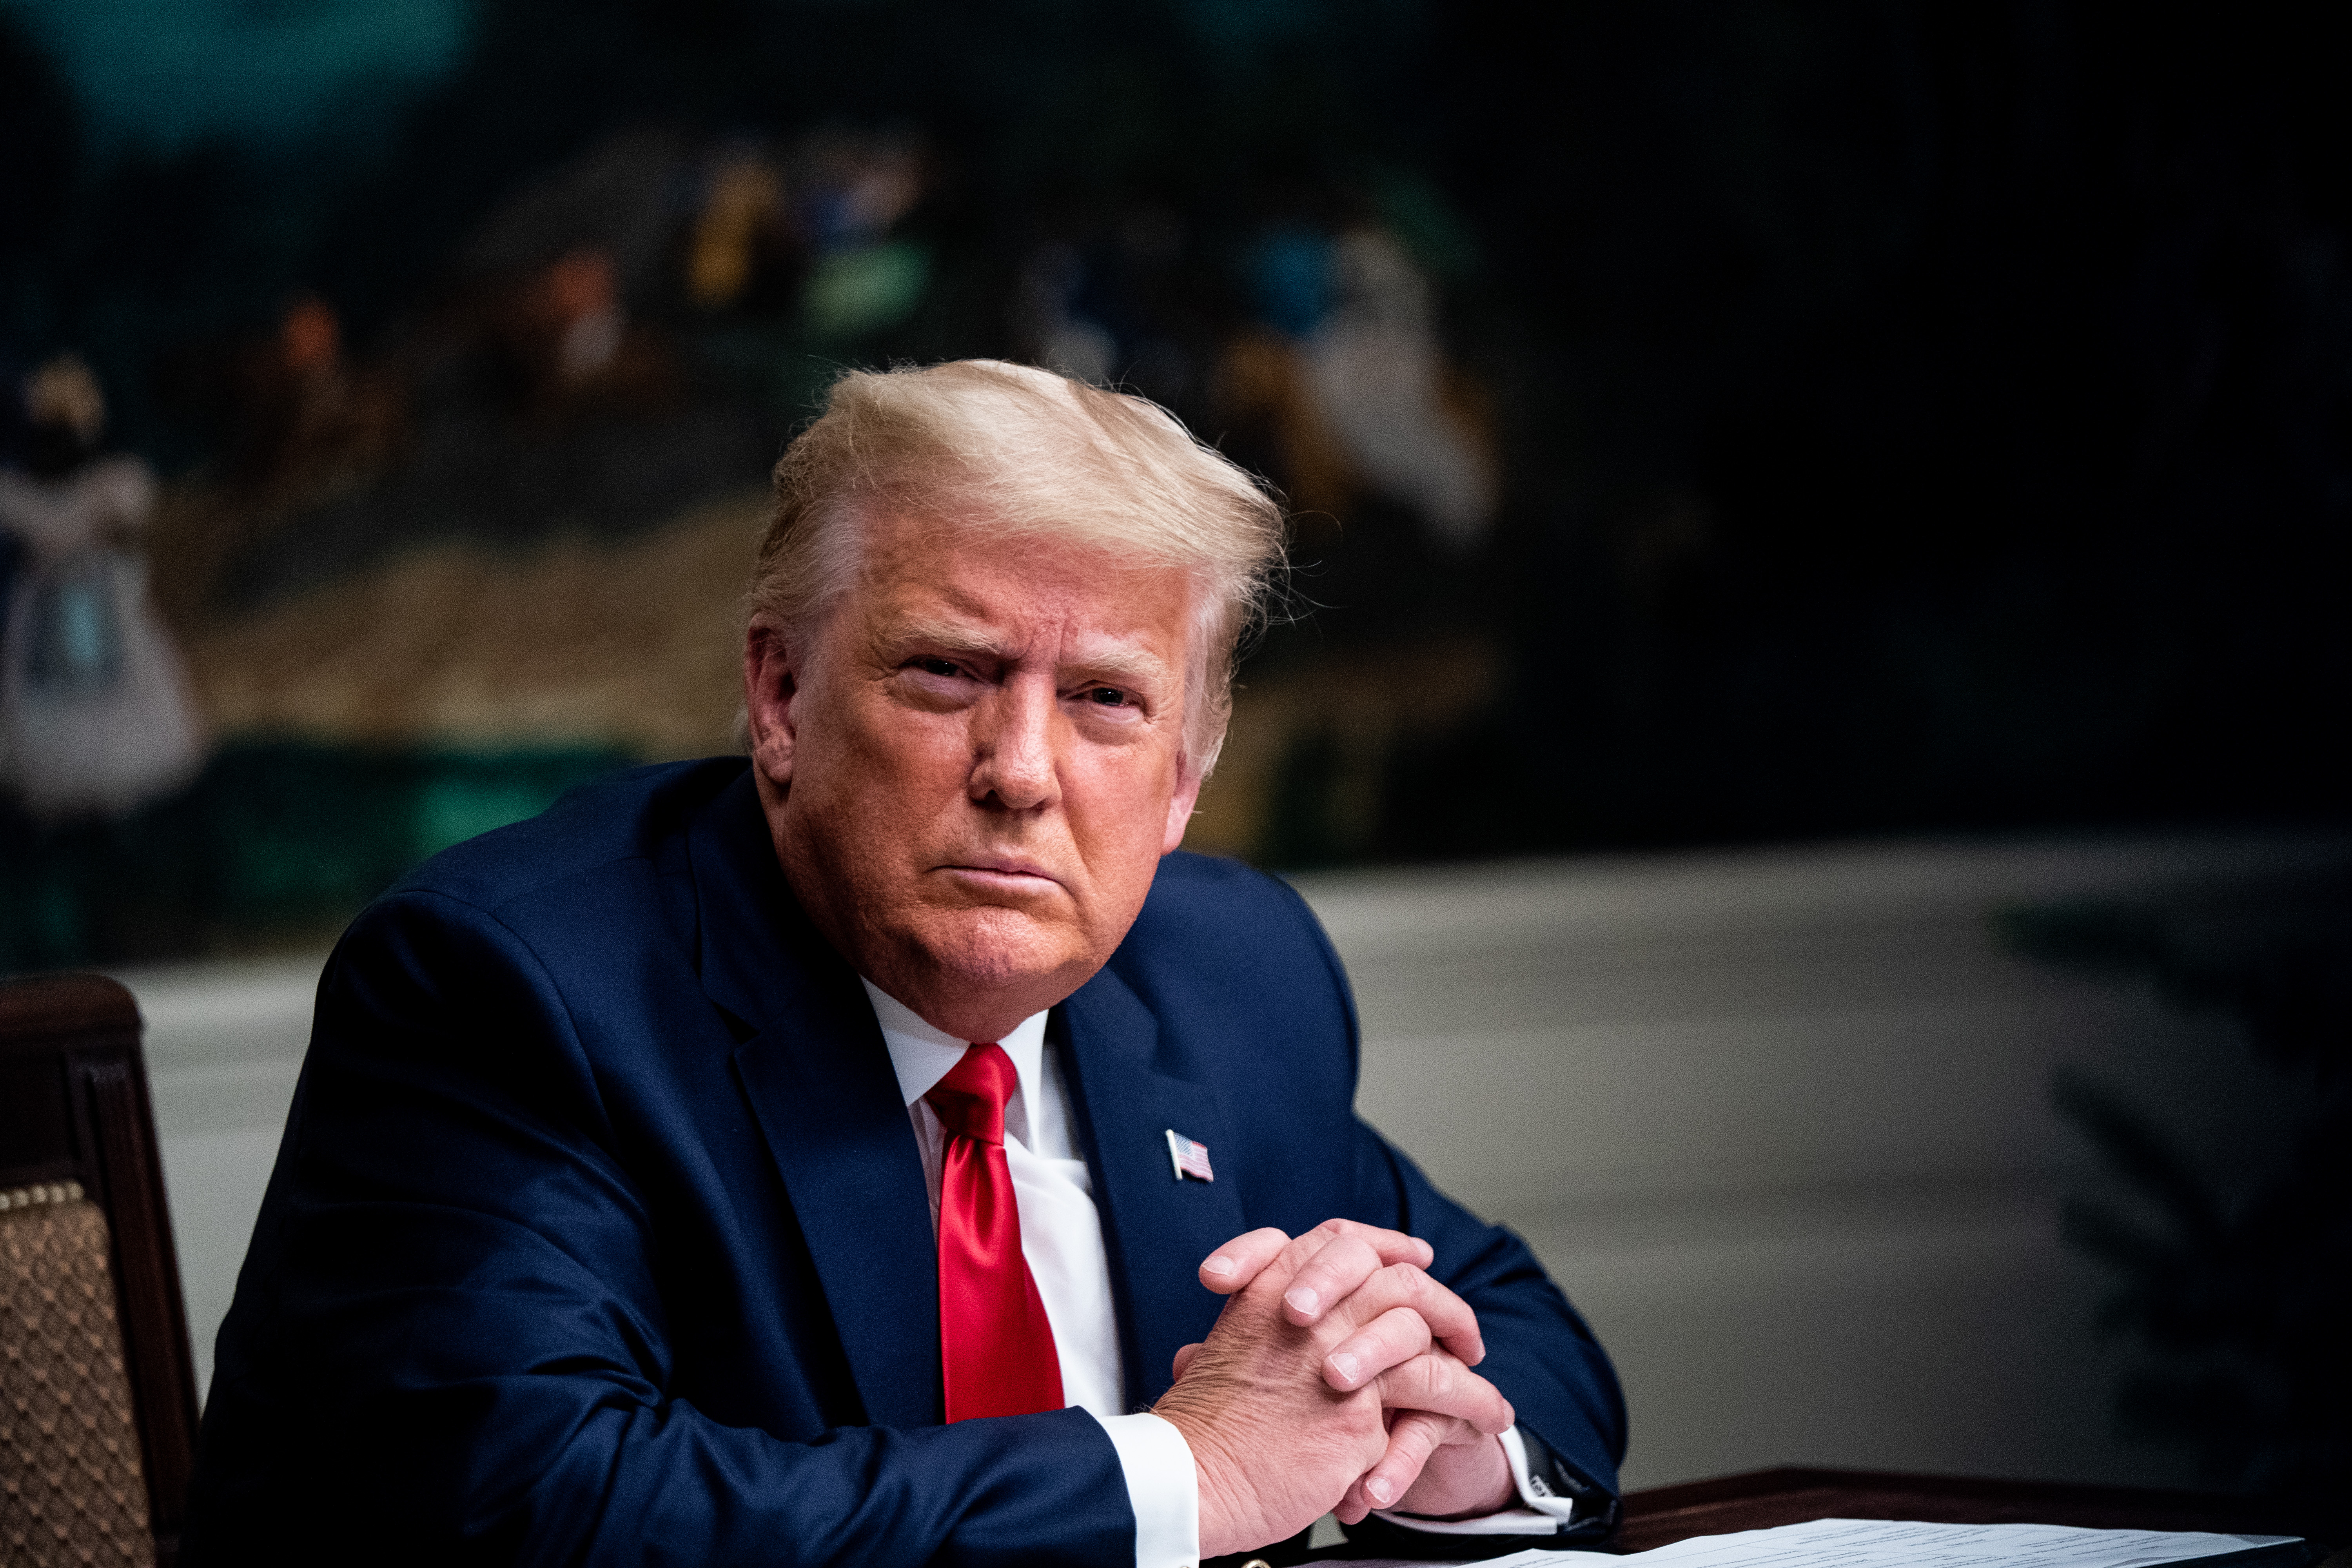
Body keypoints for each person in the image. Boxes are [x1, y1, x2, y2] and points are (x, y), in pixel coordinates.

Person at [183, 361, 1625, 1566]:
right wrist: (1179, 1475)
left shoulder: (1232, 974)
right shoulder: (511, 988)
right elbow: (537, 1503)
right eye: (948, 671)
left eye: (1105, 698)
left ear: (1185, 777)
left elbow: (1506, 1319)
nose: (1021, 772)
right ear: (780, 694)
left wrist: (1435, 1444)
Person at [0, 354, 205, 820]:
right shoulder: (29, 493)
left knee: (104, 685)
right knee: (65, 689)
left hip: (90, 596)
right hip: (58, 602)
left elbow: (129, 516)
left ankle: (109, 785)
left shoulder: (104, 484)